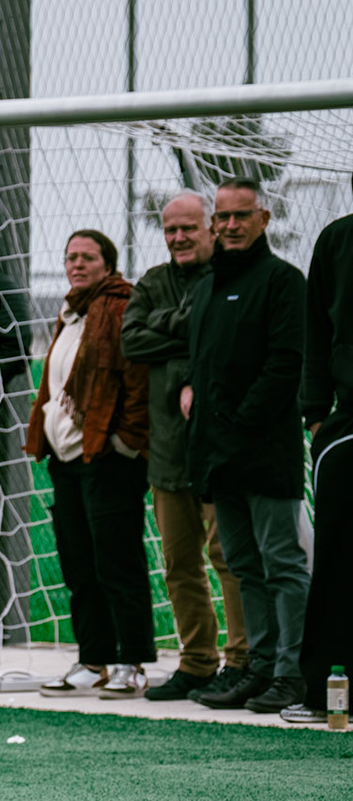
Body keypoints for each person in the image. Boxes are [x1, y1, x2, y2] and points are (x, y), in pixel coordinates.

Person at [184, 179, 310, 713]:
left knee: (282, 562)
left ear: (263, 219)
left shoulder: (284, 282)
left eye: (242, 216)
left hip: (264, 455)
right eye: (223, 217)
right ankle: (259, 669)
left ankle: (293, 672)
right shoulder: (208, 286)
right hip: (218, 457)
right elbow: (203, 369)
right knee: (241, 565)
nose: (231, 225)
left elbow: (284, 366)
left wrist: (238, 426)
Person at [121, 193, 248, 701]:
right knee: (178, 563)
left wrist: (177, 329)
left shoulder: (232, 275)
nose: (178, 237)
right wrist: (193, 326)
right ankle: (197, 662)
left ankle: (243, 660)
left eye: (188, 228)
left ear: (211, 228)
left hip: (219, 447)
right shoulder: (152, 282)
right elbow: (133, 342)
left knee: (230, 558)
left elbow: (225, 343)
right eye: (170, 229)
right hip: (167, 451)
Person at [24, 230, 152, 699]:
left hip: (107, 457)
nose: (77, 264)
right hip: (67, 462)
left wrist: (125, 441)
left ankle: (130, 661)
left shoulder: (119, 306)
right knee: (79, 566)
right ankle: (92, 659)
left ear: (108, 264)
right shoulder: (70, 314)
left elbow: (137, 378)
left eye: (87, 257)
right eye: (70, 256)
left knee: (117, 562)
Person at [295, 204, 353, 723]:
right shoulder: (336, 241)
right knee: (336, 562)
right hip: (348, 429)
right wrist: (316, 417)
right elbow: (315, 330)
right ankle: (326, 689)